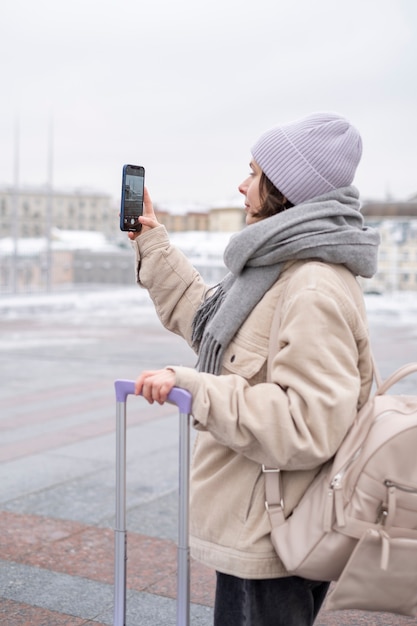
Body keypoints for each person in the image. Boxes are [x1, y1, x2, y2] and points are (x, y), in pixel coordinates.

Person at [128, 112, 380, 626]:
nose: (241, 185)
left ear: (284, 188)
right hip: (262, 520)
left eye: (254, 172)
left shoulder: (311, 285)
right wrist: (152, 243)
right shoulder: (278, 268)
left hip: (274, 537)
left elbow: (307, 425)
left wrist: (195, 386)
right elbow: (212, 325)